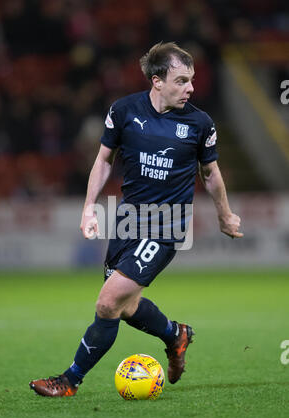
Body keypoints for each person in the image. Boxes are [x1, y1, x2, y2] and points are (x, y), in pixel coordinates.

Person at [29, 42, 243, 397]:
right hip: (128, 221)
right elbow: (103, 161)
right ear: (157, 81)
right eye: (182, 80)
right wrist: (88, 207)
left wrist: (225, 215)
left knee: (107, 302)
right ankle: (176, 334)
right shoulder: (124, 110)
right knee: (126, 307)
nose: (191, 87)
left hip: (166, 225)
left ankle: (69, 381)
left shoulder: (199, 123)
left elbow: (211, 174)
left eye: (191, 80)